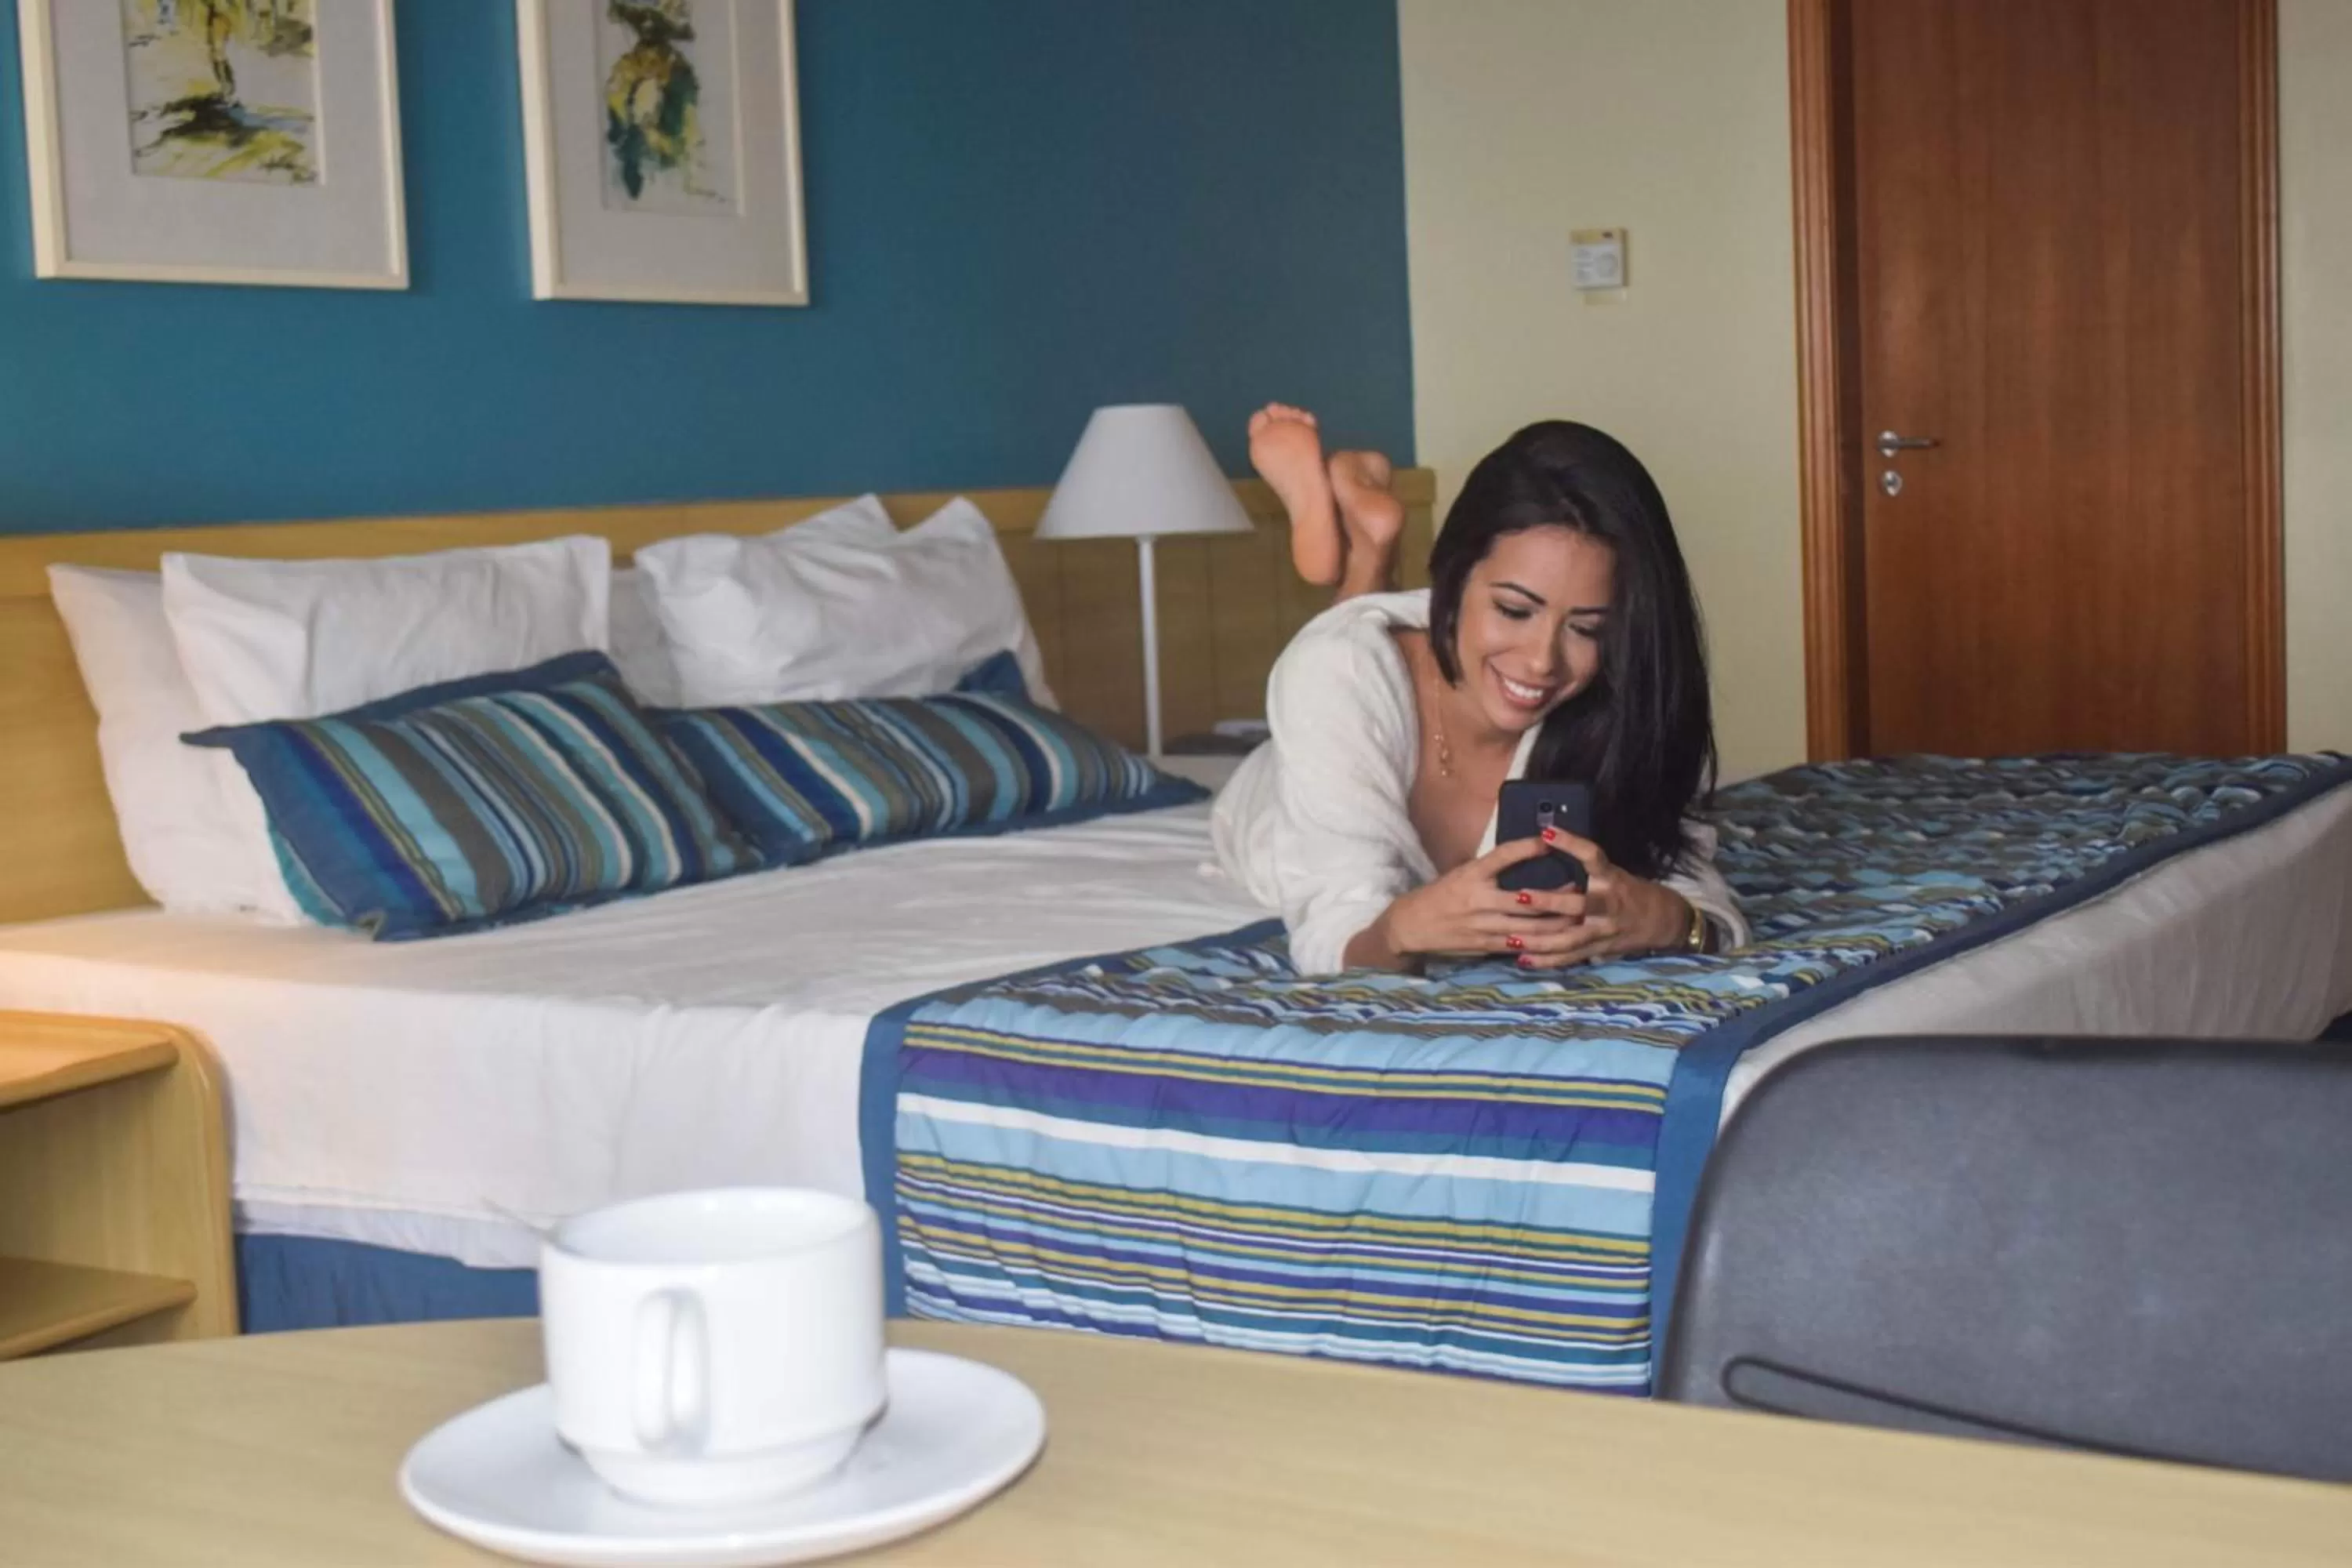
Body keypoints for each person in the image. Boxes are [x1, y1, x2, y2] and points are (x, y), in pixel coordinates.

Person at [1211, 405, 1748, 977]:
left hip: (1402, 669)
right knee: (1338, 663)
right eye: (1514, 610)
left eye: (1587, 628)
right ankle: (1369, 561)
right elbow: (1333, 929)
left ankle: (1371, 555)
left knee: (1357, 659)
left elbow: (1702, 901)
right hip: (1280, 794)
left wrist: (1668, 919)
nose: (1543, 661)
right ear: (1452, 574)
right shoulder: (1334, 678)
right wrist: (1398, 932)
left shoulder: (1625, 696)